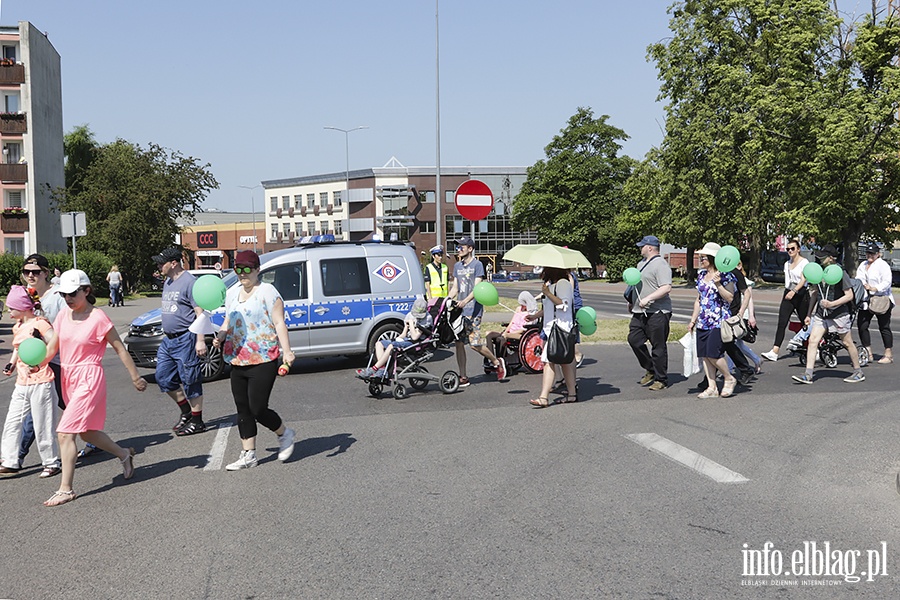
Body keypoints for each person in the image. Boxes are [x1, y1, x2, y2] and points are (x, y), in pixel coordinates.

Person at [42, 269, 148, 506]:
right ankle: (124, 454)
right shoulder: (62, 316)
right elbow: (53, 348)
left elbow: (119, 347)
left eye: (72, 293)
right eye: (64, 294)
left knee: (65, 431)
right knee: (86, 432)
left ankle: (66, 489)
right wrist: (38, 363)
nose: (68, 298)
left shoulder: (98, 317)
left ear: (86, 290)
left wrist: (135, 377)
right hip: (68, 377)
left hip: (89, 377)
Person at [212, 250, 296, 470]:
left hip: (263, 358)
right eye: (238, 269)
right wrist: (220, 336)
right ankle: (248, 454)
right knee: (243, 409)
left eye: (247, 269)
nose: (242, 274)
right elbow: (228, 320)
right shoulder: (232, 294)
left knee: (258, 408)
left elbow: (279, 323)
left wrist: (287, 351)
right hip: (237, 357)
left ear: (258, 270)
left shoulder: (268, 292)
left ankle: (284, 433)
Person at [0, 286, 61, 478]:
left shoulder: (40, 324)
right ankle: (9, 461)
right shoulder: (17, 326)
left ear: (23, 307)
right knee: (12, 422)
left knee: (42, 423)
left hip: (41, 381)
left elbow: (55, 343)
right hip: (22, 382)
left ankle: (51, 462)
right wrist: (11, 364)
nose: (8, 311)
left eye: (11, 307)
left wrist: (40, 357)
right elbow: (19, 348)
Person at [17, 253, 68, 463]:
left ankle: (15, 457)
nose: (30, 275)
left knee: (34, 409)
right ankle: (94, 437)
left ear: (46, 273)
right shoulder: (29, 295)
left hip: (57, 359)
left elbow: (70, 323)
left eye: (35, 272)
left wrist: (48, 327)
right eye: (26, 271)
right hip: (40, 359)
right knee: (67, 403)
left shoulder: (57, 296)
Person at [151, 248, 208, 436]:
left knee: (190, 380)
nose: (159, 266)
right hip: (169, 340)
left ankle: (197, 421)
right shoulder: (168, 281)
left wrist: (200, 340)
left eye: (162, 263)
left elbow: (201, 313)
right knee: (163, 377)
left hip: (186, 338)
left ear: (173, 263)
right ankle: (186, 412)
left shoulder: (190, 283)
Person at [791, 244, 864, 384]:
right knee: (813, 341)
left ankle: (858, 371)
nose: (819, 259)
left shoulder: (840, 273)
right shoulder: (819, 272)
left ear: (831, 258)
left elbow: (849, 296)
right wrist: (808, 314)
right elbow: (815, 294)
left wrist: (832, 304)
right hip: (821, 313)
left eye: (823, 257)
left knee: (847, 342)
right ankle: (808, 374)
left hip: (839, 314)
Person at [447, 236, 505, 387]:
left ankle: (496, 362)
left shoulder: (477, 265)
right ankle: (463, 376)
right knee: (459, 343)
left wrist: (465, 301)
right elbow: (455, 288)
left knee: (474, 344)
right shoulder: (457, 266)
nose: (458, 249)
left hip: (473, 310)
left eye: (461, 247)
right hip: (459, 311)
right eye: (457, 247)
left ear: (470, 248)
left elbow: (477, 288)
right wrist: (446, 299)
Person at [688, 243, 738, 398]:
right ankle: (712, 387)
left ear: (712, 258)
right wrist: (693, 319)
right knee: (704, 354)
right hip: (703, 320)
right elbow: (699, 299)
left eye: (703, 257)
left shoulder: (726, 275)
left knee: (713, 353)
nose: (701, 260)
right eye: (700, 257)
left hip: (718, 320)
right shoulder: (701, 275)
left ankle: (729, 378)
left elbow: (730, 298)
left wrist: (718, 284)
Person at [627, 235, 673, 391]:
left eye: (642, 246)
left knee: (658, 346)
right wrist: (631, 300)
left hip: (658, 312)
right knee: (634, 340)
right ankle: (650, 368)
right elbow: (636, 284)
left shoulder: (661, 265)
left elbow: (666, 287)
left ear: (650, 247)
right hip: (639, 311)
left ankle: (661, 379)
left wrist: (649, 298)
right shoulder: (641, 264)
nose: (640, 249)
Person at [529, 267, 578, 407]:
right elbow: (547, 309)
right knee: (564, 362)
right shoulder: (552, 285)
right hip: (552, 328)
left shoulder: (563, 283)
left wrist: (547, 293)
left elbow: (564, 304)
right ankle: (572, 394)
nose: (542, 273)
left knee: (549, 360)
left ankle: (544, 397)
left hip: (560, 327)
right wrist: (534, 316)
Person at [356, 297, 433, 379]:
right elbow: (403, 334)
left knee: (391, 347)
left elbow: (414, 337)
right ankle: (382, 369)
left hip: (416, 342)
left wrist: (411, 324)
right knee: (379, 344)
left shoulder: (427, 318)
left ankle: (373, 369)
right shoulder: (410, 315)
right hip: (407, 340)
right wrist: (398, 338)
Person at [762, 239, 809, 361]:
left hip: (801, 293)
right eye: (788, 249)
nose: (790, 251)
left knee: (805, 322)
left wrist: (794, 291)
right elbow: (788, 281)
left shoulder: (804, 262)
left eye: (792, 248)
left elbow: (804, 280)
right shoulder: (787, 263)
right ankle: (775, 351)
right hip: (789, 293)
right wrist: (788, 291)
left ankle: (816, 345)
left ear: (798, 249)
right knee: (782, 322)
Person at [856, 243, 894, 364]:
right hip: (866, 300)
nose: (869, 255)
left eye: (872, 253)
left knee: (884, 326)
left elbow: (887, 281)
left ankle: (888, 353)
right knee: (862, 325)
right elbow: (859, 277)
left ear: (878, 254)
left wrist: (875, 288)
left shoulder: (883, 265)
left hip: (881, 298)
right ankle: (868, 352)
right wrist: (863, 285)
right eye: (868, 253)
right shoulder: (863, 264)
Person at [486, 291, 535, 361]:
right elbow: (511, 323)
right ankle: (491, 358)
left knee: (503, 336)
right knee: (488, 334)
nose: (522, 306)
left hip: (520, 334)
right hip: (510, 332)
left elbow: (522, 330)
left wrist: (508, 333)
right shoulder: (518, 309)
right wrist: (505, 331)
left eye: (523, 305)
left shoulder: (531, 313)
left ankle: (499, 359)